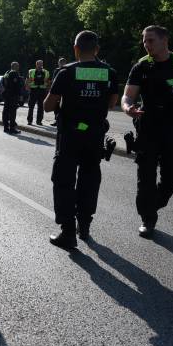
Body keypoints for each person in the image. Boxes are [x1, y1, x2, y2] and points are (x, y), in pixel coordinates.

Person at [122, 25, 173, 238]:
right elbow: (128, 95)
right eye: (144, 41)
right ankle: (148, 219)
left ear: (165, 40)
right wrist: (128, 107)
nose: (146, 45)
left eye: (151, 40)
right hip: (147, 127)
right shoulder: (142, 66)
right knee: (145, 175)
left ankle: (155, 203)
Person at [43, 31, 119, 247]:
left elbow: (48, 106)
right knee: (90, 178)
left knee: (64, 180)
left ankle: (68, 232)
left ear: (75, 49)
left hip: (70, 134)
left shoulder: (67, 72)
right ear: (96, 50)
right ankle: (84, 225)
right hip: (94, 134)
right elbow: (111, 103)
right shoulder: (109, 73)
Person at [26, 59, 50, 125]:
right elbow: (27, 80)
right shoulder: (31, 71)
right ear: (36, 64)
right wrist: (27, 88)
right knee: (31, 106)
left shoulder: (46, 72)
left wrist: (48, 90)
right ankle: (29, 121)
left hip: (42, 90)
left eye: (41, 64)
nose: (40, 65)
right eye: (39, 64)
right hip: (33, 90)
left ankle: (39, 121)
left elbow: (48, 82)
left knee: (41, 107)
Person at [1, 62, 22, 134]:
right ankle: (12, 128)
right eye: (18, 66)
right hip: (13, 95)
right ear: (15, 66)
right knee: (12, 112)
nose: (19, 67)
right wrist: (19, 95)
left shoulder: (6, 73)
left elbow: (3, 83)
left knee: (6, 111)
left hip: (6, 95)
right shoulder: (14, 73)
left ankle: (5, 127)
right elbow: (16, 85)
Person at [50, 57, 67, 127]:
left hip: (65, 91)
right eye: (60, 62)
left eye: (63, 62)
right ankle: (56, 120)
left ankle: (63, 120)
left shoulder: (67, 70)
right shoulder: (56, 70)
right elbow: (53, 81)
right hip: (57, 91)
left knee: (63, 106)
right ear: (58, 63)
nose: (61, 64)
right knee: (56, 106)